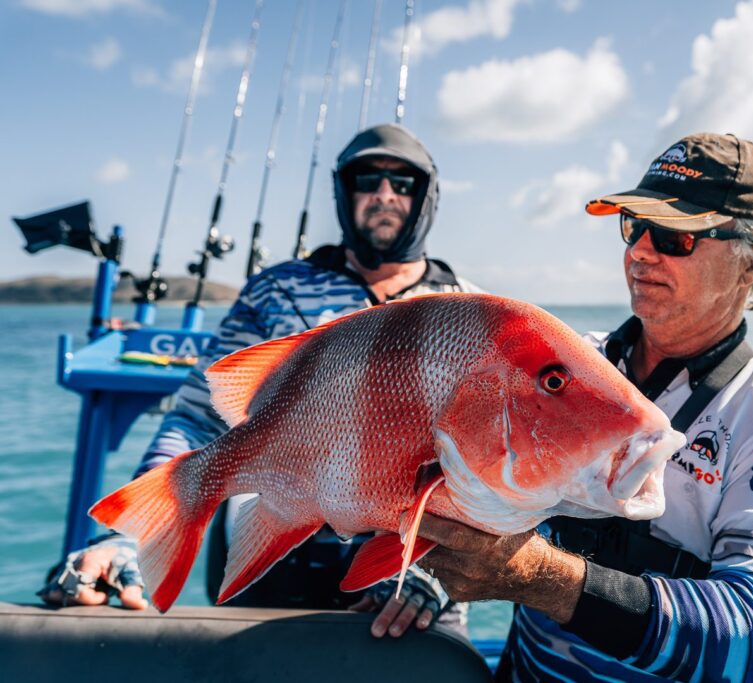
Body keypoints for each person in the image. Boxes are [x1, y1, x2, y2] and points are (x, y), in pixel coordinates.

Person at [416, 133, 753, 680]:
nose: (640, 251)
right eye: (633, 226)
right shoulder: (558, 367)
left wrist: (539, 578)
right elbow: (442, 477)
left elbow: (752, 641)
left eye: (674, 236)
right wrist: (422, 574)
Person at [40, 123, 480, 639]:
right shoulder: (275, 292)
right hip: (277, 561)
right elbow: (198, 418)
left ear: (426, 197)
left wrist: (437, 573)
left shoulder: (471, 310)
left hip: (418, 578)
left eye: (403, 183)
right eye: (368, 180)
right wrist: (130, 537)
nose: (384, 194)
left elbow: (488, 467)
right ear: (344, 193)